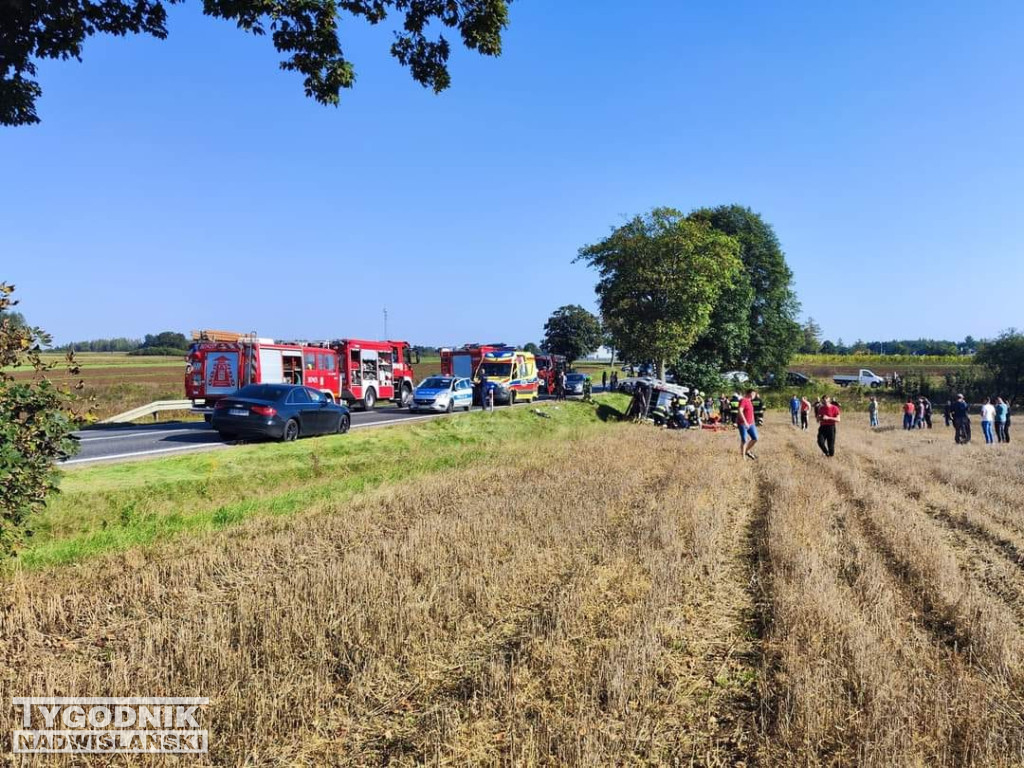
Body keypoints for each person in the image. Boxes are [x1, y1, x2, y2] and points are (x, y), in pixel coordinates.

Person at [737, 388, 758, 460]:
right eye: (753, 394)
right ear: (748, 393)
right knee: (744, 440)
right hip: (743, 424)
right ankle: (743, 458)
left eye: (754, 394)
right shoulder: (743, 400)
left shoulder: (750, 402)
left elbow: (751, 414)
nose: (754, 395)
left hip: (751, 424)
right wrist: (745, 421)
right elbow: (740, 410)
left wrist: (753, 422)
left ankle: (746, 451)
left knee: (755, 438)